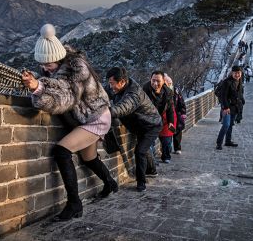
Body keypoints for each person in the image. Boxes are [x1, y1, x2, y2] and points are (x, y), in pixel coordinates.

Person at [21, 24, 118, 221]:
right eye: (42, 64)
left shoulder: (77, 68)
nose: (44, 68)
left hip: (95, 117)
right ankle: (110, 183)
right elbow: (57, 84)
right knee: (89, 158)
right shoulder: (57, 68)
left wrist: (38, 87)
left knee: (61, 151)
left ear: (58, 57)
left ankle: (74, 204)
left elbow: (66, 97)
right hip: (88, 117)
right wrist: (38, 84)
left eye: (48, 64)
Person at [106, 67, 162, 192]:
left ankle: (141, 182)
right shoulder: (119, 87)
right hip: (139, 126)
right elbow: (103, 92)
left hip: (151, 126)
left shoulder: (134, 93)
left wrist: (104, 112)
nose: (110, 87)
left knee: (140, 151)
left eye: (112, 84)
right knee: (145, 150)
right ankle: (152, 170)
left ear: (122, 82)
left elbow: (123, 108)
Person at [143, 71, 175, 164]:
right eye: (153, 80)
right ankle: (152, 161)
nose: (155, 83)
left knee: (166, 141)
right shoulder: (144, 90)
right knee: (150, 143)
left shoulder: (168, 93)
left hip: (162, 120)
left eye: (158, 81)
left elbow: (170, 109)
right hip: (148, 120)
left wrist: (171, 122)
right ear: (150, 79)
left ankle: (166, 156)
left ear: (163, 81)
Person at [216, 66, 245, 150]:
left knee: (231, 125)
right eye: (235, 73)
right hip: (227, 107)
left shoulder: (239, 81)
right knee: (226, 124)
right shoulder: (227, 82)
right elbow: (223, 96)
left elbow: (239, 93)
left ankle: (228, 141)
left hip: (235, 107)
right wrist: (226, 107)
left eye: (239, 73)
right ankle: (219, 143)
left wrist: (242, 101)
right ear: (232, 73)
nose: (237, 75)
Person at [164, 74, 186, 155]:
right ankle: (167, 150)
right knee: (167, 133)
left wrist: (183, 113)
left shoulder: (176, 90)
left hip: (177, 114)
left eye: (170, 83)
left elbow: (181, 102)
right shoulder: (162, 91)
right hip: (167, 116)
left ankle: (177, 148)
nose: (170, 84)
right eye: (168, 83)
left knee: (177, 132)